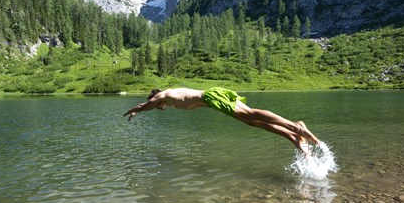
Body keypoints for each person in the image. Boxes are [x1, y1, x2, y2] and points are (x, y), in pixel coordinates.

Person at [123, 87, 319, 154]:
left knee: (251, 115)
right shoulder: (170, 96)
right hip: (214, 97)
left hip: (212, 97)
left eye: (157, 106)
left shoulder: (162, 96)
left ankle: (296, 126)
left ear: (154, 99)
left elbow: (145, 106)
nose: (159, 109)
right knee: (251, 121)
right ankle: (294, 136)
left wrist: (135, 111)